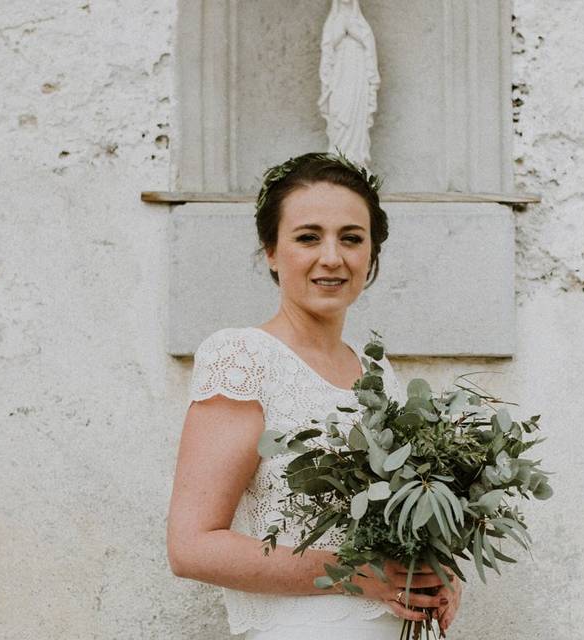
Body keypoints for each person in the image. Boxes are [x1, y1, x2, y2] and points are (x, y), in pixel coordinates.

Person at [167, 153, 463, 638]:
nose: (332, 257)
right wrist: (358, 573)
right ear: (270, 250)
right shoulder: (242, 357)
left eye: (351, 238)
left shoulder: (377, 374)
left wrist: (436, 570)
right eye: (308, 237)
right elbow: (192, 547)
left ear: (372, 252)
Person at [318, 0, 381, 167]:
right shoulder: (332, 23)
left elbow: (370, 48)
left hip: (357, 79)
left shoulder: (361, 24)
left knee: (356, 117)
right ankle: (339, 157)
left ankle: (356, 159)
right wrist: (339, 35)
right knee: (338, 114)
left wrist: (356, 34)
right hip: (339, 78)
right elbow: (326, 50)